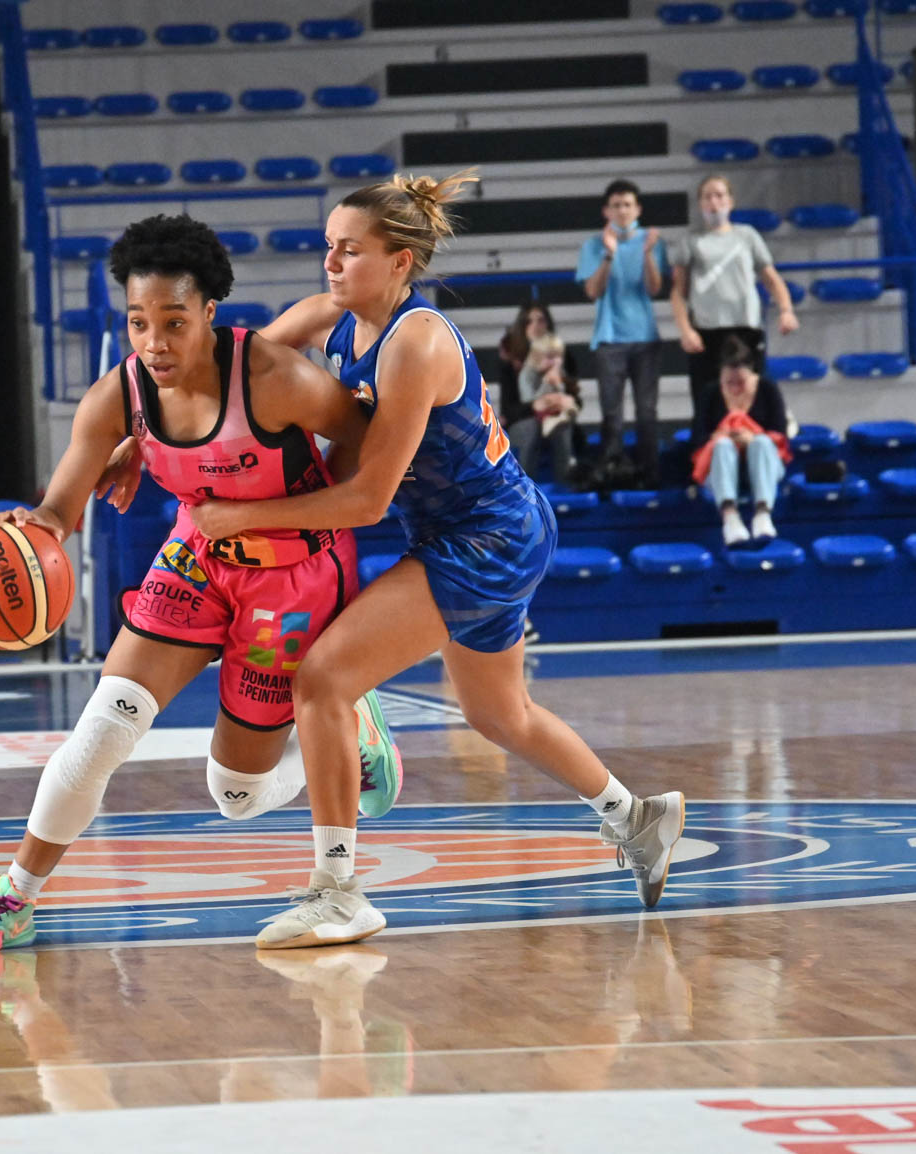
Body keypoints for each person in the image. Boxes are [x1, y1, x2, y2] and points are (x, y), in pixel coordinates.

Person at [193, 171, 686, 949]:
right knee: (499, 716)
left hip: (484, 536)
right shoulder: (337, 316)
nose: (330, 264)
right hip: (483, 529)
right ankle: (637, 818)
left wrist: (238, 515)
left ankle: (340, 890)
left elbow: (365, 501)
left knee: (321, 679)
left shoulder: (414, 341)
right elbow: (238, 375)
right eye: (327, 248)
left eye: (349, 251)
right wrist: (140, 436)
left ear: (398, 262)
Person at [0, 215, 404, 956]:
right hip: (195, 557)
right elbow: (59, 510)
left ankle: (352, 726)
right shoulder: (115, 398)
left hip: (291, 577)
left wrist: (285, 514)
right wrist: (25, 534)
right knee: (101, 730)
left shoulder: (281, 382)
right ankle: (12, 900)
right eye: (137, 323)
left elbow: (368, 448)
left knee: (237, 795)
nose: (154, 342)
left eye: (174, 323)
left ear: (210, 315)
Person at [670, 175, 799, 429]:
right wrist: (685, 330)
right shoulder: (690, 241)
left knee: (752, 395)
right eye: (707, 196)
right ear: (700, 203)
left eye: (719, 195)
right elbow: (678, 292)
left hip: (745, 328)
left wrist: (786, 310)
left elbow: (771, 279)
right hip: (706, 331)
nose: (714, 202)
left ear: (730, 201)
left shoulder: (747, 236)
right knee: (707, 399)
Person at [578, 180, 667, 488]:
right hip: (609, 337)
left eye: (627, 204)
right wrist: (609, 254)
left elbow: (655, 288)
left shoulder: (652, 241)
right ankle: (613, 474)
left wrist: (648, 254)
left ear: (637, 209)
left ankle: (650, 475)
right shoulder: (594, 244)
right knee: (611, 414)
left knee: (647, 411)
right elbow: (592, 291)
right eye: (616, 205)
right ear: (606, 210)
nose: (622, 210)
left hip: (645, 336)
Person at [689, 335, 793, 548]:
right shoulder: (710, 393)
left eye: (742, 383)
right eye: (729, 383)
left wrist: (752, 437)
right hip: (722, 466)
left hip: (763, 463)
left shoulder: (768, 389)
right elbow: (697, 439)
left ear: (753, 376)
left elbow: (781, 434)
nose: (736, 389)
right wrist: (719, 436)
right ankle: (730, 517)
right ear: (721, 377)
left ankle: (763, 514)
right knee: (723, 446)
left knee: (762, 443)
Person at [497, 304, 580, 487]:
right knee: (531, 427)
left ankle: (565, 489)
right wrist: (536, 406)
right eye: (529, 321)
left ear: (548, 324)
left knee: (562, 423)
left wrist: (562, 401)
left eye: (540, 320)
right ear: (522, 326)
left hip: (556, 417)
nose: (535, 326)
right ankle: (523, 490)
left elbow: (577, 400)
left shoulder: (562, 357)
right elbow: (508, 411)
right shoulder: (511, 364)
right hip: (524, 422)